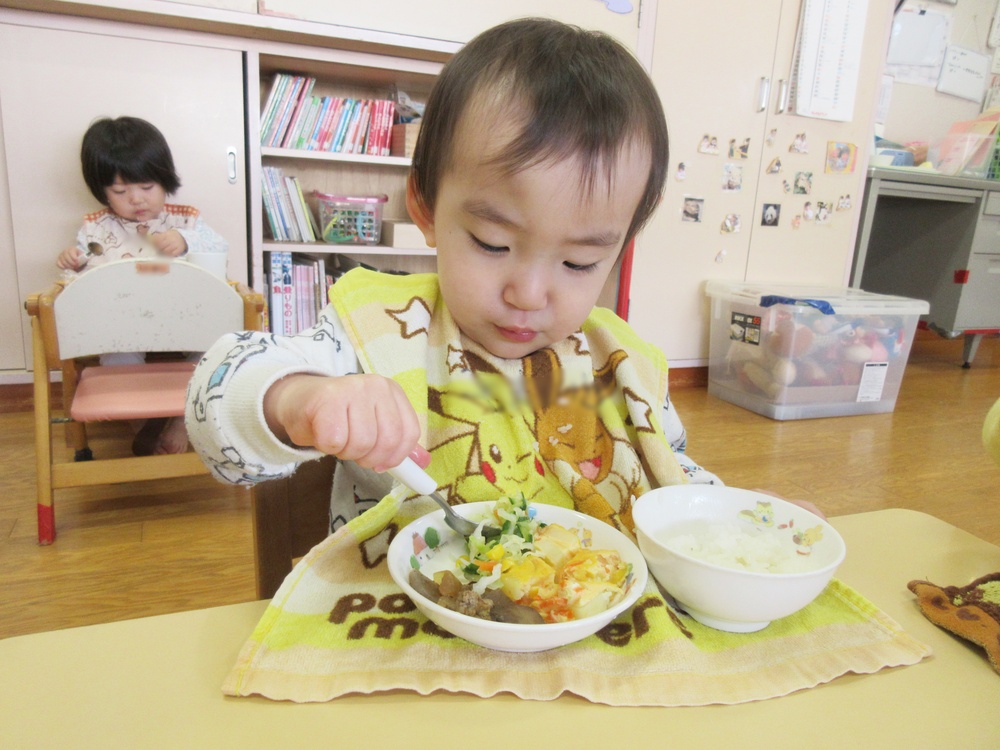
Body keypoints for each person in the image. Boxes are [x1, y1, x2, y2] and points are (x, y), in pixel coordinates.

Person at [186, 18, 817, 535]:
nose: (529, 294)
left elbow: (668, 472)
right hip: (413, 640)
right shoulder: (374, 332)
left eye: (578, 263)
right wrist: (299, 399)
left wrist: (741, 520)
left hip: (596, 638)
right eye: (492, 243)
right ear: (426, 209)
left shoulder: (616, 361)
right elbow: (216, 400)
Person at [59, 116, 228, 455]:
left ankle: (183, 419)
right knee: (116, 354)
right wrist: (72, 263)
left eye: (147, 187)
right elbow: (78, 285)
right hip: (125, 322)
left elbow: (219, 250)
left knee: (214, 346)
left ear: (165, 180)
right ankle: (142, 424)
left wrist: (185, 240)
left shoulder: (185, 219)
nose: (136, 200)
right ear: (102, 190)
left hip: (184, 317)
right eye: (120, 191)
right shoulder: (96, 229)